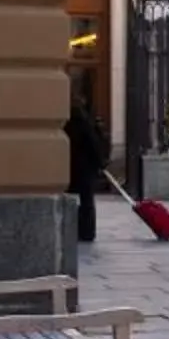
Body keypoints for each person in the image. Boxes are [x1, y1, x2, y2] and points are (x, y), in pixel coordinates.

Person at [64, 95, 108, 244]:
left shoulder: (65, 126)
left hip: (68, 168)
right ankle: (87, 232)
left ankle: (70, 229)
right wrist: (101, 163)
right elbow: (94, 146)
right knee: (87, 201)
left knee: (68, 199)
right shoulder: (86, 125)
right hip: (85, 170)